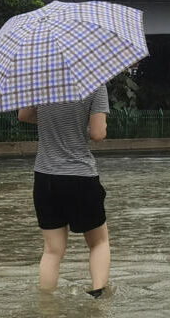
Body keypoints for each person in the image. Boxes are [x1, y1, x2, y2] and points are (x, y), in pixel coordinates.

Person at [17, 85, 110, 297]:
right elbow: (97, 133)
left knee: (52, 250)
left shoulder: (41, 79)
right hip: (80, 175)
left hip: (44, 177)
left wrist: (53, 118)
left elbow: (23, 115)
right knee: (98, 243)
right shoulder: (95, 83)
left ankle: (47, 308)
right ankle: (98, 300)